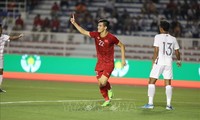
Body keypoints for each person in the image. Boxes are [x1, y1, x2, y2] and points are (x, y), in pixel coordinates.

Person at [70, 14, 126, 106]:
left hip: (109, 63)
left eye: (100, 26)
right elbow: (83, 31)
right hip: (99, 63)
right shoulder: (96, 35)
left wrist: (123, 60)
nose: (98, 27)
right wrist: (74, 23)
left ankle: (109, 90)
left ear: (105, 27)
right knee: (100, 84)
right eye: (98, 25)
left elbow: (122, 46)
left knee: (103, 82)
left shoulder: (111, 38)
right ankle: (107, 99)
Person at [142, 20, 181, 110]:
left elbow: (156, 51)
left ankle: (150, 104)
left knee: (151, 82)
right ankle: (168, 105)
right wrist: (178, 61)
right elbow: (177, 51)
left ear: (161, 28)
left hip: (159, 62)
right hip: (169, 63)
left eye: (160, 27)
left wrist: (153, 62)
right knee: (168, 83)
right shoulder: (173, 39)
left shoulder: (158, 37)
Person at [0, 24, 23, 92]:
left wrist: (19, 36)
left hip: (0, 57)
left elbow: (12, 38)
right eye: (0, 29)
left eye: (1, 29)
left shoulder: (3, 36)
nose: (1, 30)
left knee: (1, 72)